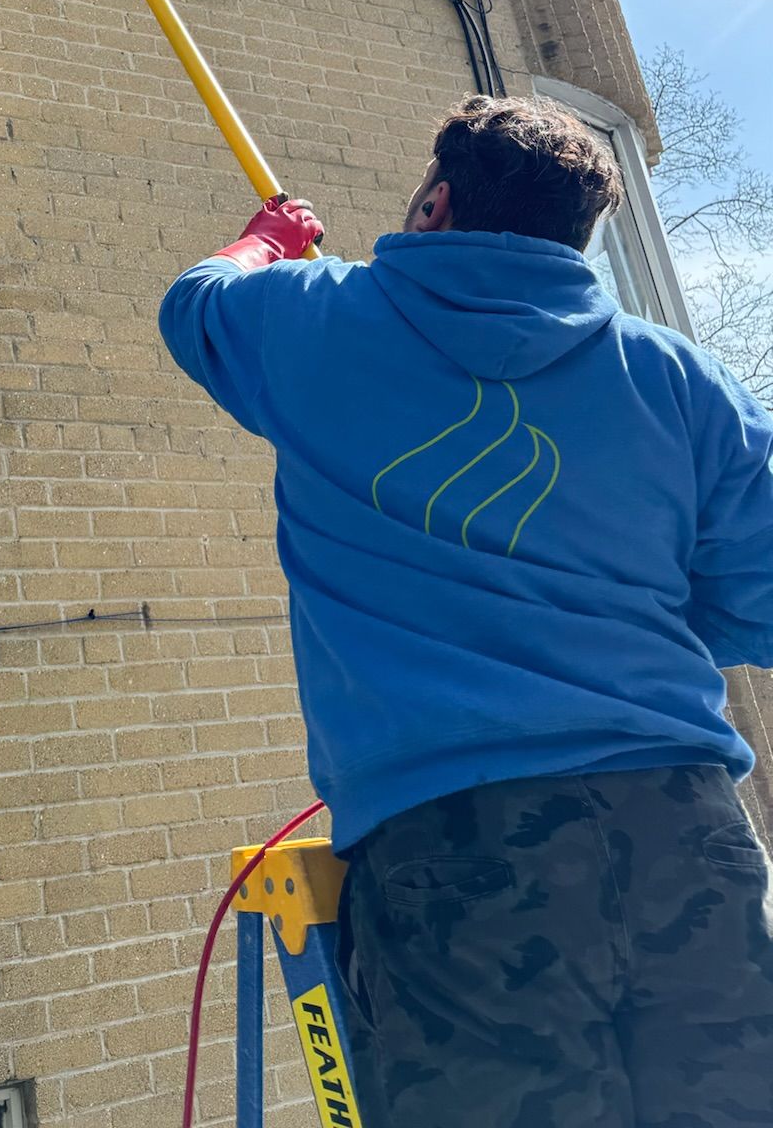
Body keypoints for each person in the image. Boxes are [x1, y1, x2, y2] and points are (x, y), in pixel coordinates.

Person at [159, 94, 773, 1128]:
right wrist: (621, 615)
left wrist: (270, 240)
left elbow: (197, 302)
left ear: (437, 202)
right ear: (579, 235)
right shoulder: (681, 381)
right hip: (683, 824)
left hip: (460, 851)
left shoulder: (315, 316)